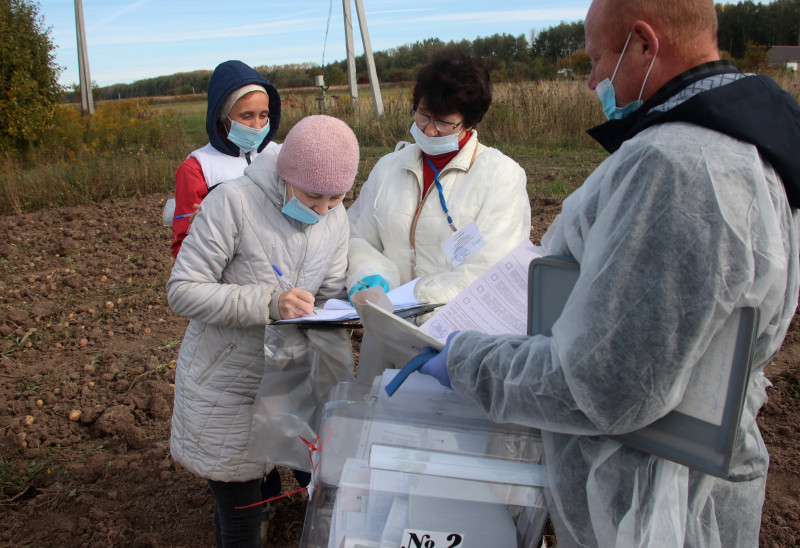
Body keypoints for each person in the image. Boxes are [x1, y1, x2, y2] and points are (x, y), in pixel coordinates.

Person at [416, 0, 800, 546]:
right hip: (696, 473)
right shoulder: (756, 138)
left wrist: (468, 360)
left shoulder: (676, 165)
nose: (591, 79)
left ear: (644, 44)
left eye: (597, 60)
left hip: (646, 498)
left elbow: (603, 383)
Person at [166, 115, 359, 547]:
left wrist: (347, 307)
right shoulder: (231, 203)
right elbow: (182, 291)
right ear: (287, 174)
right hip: (227, 382)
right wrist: (268, 303)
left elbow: (328, 292)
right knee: (241, 520)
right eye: (313, 196)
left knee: (320, 485)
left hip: (292, 380)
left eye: (337, 197)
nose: (324, 210)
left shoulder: (335, 216)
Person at [345, 49, 531, 315]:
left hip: (454, 330)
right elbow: (358, 236)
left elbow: (491, 267)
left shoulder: (501, 177)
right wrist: (369, 274)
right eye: (423, 116)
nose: (430, 130)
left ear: (469, 121)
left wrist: (414, 298)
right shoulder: (388, 168)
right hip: (386, 324)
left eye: (444, 123)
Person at [170, 59, 281, 257]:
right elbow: (183, 247)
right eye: (246, 116)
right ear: (222, 116)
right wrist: (200, 232)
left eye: (263, 115)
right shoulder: (198, 168)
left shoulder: (279, 155)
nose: (257, 125)